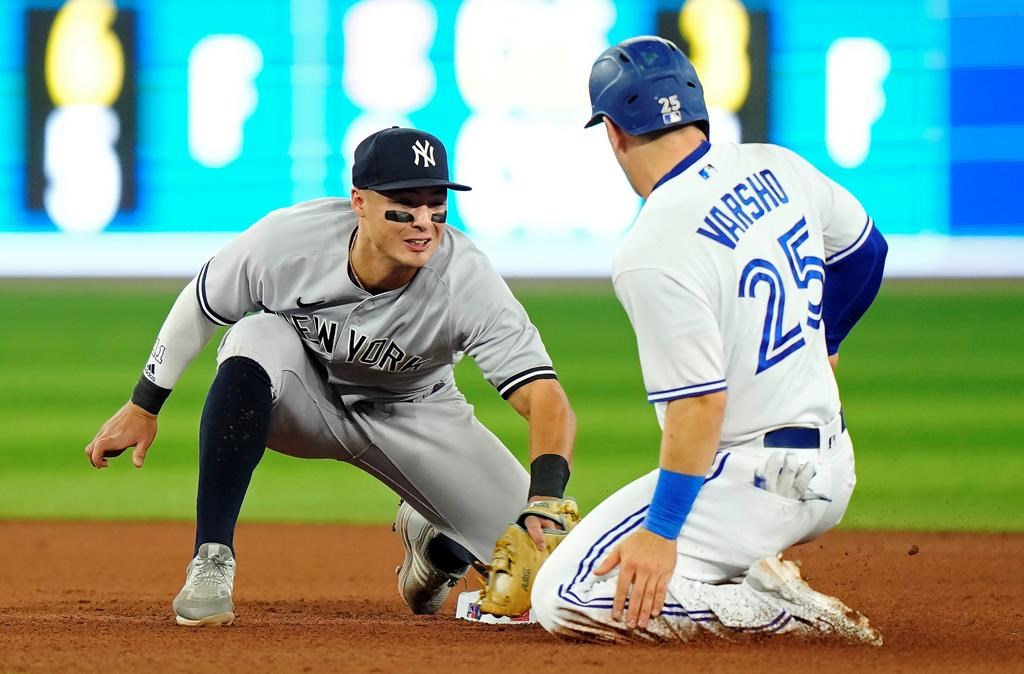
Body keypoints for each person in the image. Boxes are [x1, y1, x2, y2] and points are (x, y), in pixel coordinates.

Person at [84, 126, 576, 626]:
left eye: (436, 205)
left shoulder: (466, 280)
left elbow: (546, 398)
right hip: (303, 397)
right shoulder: (289, 242)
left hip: (417, 413)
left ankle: (438, 544)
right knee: (256, 336)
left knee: (558, 569)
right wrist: (144, 404)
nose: (424, 222)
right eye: (404, 205)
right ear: (359, 202)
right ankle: (212, 558)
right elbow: (202, 302)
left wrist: (546, 499)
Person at [530, 36, 888, 644]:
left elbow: (699, 404)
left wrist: (662, 534)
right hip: (831, 464)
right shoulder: (777, 165)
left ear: (613, 132)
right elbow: (866, 253)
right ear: (695, 108)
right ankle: (740, 581)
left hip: (753, 480)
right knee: (596, 567)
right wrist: (828, 340)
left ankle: (775, 609)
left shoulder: (651, 248)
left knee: (565, 597)